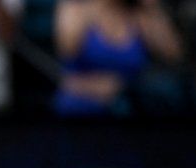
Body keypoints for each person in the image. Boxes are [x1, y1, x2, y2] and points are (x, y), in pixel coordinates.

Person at [52, 0, 182, 116]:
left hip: (133, 110)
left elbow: (173, 55)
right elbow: (66, 51)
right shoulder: (76, 9)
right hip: (80, 110)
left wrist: (152, 8)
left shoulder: (141, 16)